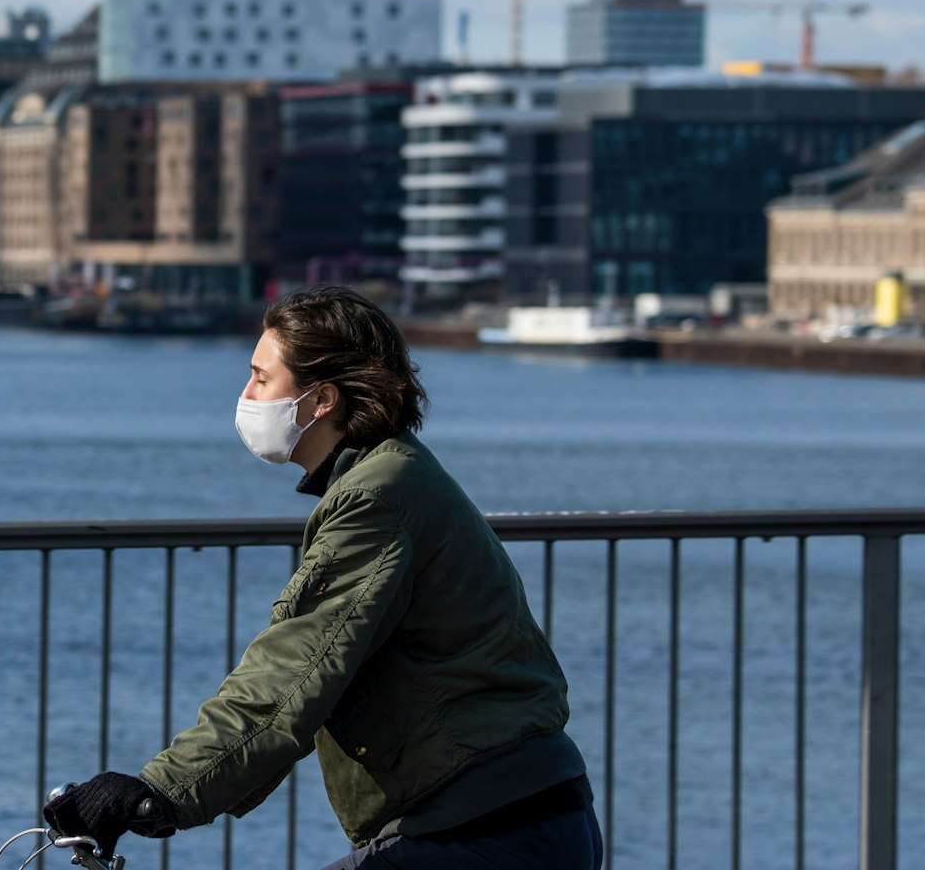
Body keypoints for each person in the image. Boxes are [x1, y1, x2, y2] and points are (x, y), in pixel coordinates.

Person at [44, 285, 602, 869]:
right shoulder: (394, 476)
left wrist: (160, 791)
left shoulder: (376, 501)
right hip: (506, 819)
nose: (245, 395)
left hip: (487, 830)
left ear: (322, 400)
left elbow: (294, 671)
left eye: (261, 378)